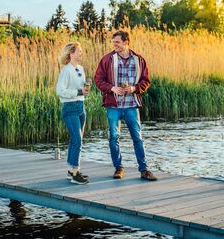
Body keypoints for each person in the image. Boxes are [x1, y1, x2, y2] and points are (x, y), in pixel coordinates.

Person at [94, 30, 157, 181]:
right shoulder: (107, 59)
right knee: (114, 137)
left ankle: (144, 170)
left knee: (137, 137)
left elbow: (146, 81)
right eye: (113, 42)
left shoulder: (139, 60)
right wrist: (112, 88)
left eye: (117, 42)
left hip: (131, 105)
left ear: (126, 42)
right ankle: (118, 168)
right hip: (113, 106)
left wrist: (135, 88)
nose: (114, 44)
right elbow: (98, 79)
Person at [56, 42, 90, 185]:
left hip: (81, 106)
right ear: (71, 53)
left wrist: (86, 86)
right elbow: (60, 91)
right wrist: (78, 92)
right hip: (70, 107)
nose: (81, 53)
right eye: (79, 51)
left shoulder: (80, 68)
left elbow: (81, 88)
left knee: (75, 140)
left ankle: (71, 170)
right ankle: (75, 173)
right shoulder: (65, 70)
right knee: (77, 140)